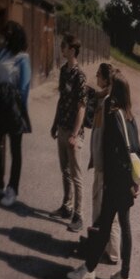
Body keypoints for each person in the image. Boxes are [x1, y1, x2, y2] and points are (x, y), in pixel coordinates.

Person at [66, 71, 140, 279]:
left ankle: (89, 270)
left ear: (114, 90)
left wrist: (114, 179)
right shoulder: (130, 116)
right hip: (127, 182)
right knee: (122, 226)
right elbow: (138, 151)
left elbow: (116, 153)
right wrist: (134, 182)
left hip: (116, 181)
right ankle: (124, 275)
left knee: (104, 224)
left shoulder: (113, 114)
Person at [50, 33, 88, 233]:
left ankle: (78, 215)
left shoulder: (80, 76)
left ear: (72, 50)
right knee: (64, 171)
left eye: (64, 46)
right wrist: (55, 123)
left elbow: (82, 107)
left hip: (74, 133)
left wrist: (74, 134)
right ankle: (66, 207)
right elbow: (61, 99)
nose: (61, 49)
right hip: (62, 128)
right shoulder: (64, 71)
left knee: (76, 176)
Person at [85, 62, 120, 264]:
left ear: (106, 79)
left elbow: (105, 138)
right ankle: (110, 250)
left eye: (98, 75)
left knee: (103, 211)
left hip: (104, 168)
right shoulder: (106, 99)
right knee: (106, 211)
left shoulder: (108, 103)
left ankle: (106, 252)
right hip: (101, 165)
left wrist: (103, 168)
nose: (96, 77)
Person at [0, 21, 30, 209]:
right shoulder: (1, 52)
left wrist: (21, 113)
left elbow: (24, 87)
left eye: (8, 35)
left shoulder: (22, 58)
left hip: (14, 109)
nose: (4, 38)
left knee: (15, 151)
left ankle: (13, 189)